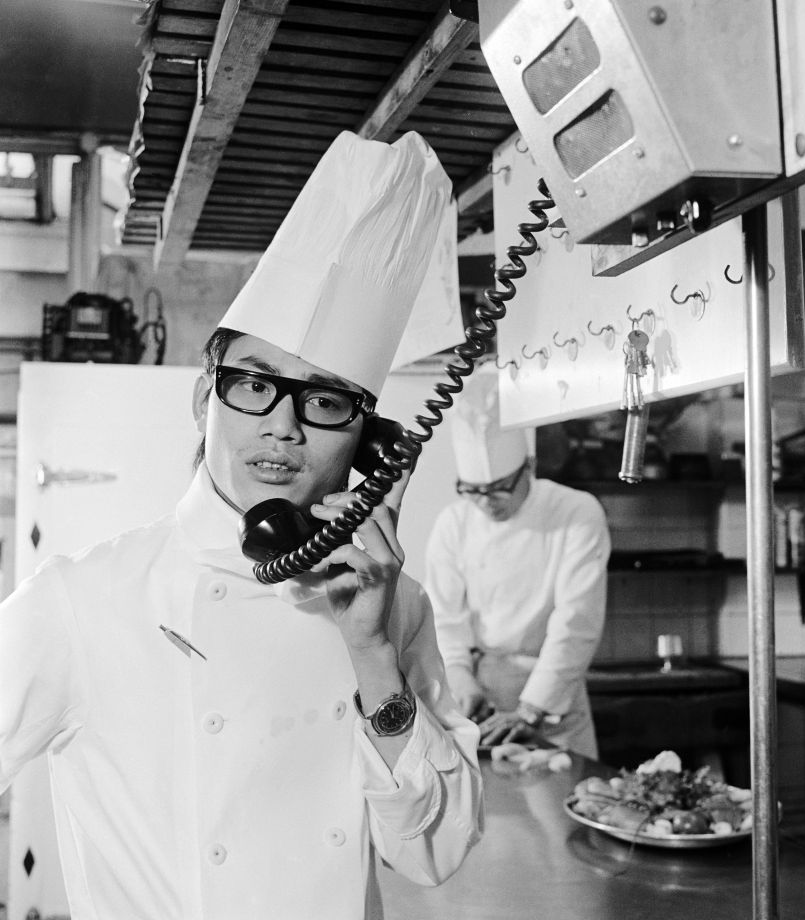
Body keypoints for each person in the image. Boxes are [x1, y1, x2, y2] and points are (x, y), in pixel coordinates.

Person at [0, 131, 484, 920]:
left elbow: (434, 854)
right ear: (205, 397)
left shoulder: (396, 608)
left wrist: (369, 653)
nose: (285, 428)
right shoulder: (82, 601)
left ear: (368, 437)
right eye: (255, 384)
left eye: (326, 401)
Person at [425, 363, 611, 759]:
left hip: (553, 698)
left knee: (559, 811)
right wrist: (461, 679)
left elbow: (576, 620)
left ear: (527, 467)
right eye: (472, 490)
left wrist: (531, 710)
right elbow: (444, 620)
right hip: (480, 694)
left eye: (498, 489)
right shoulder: (453, 523)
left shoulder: (575, 511)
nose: (485, 503)